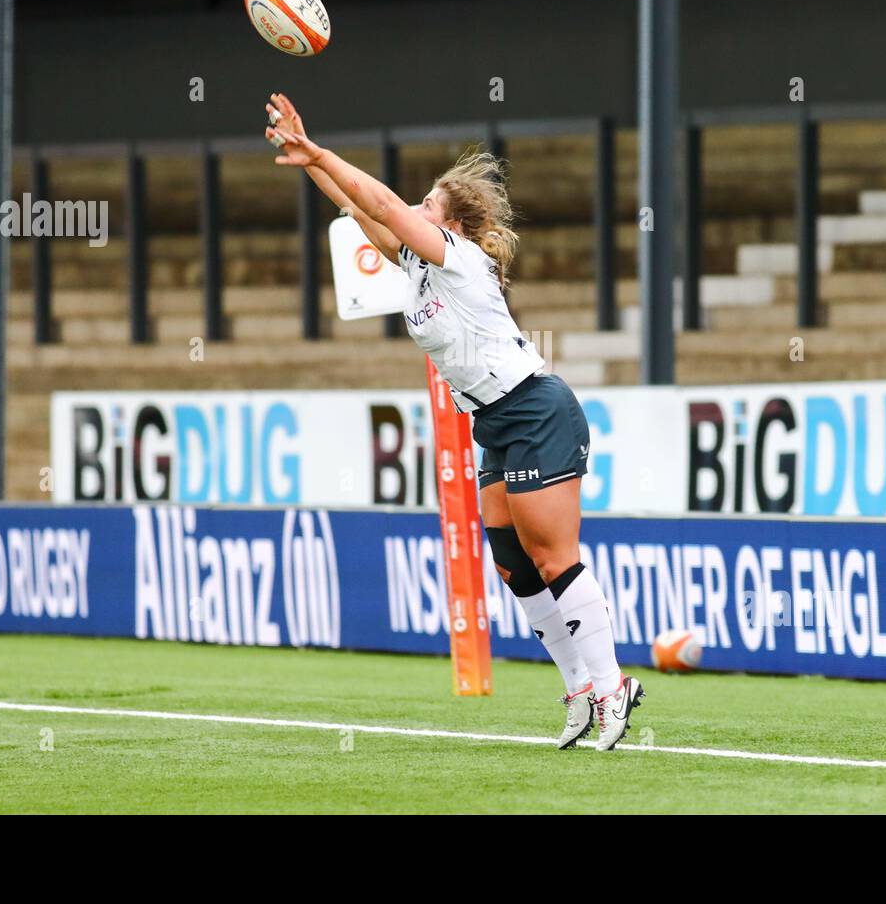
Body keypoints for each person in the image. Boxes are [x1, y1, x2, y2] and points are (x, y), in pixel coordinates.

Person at [265, 92, 644, 750]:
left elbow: (381, 205)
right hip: (496, 423)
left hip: (535, 409)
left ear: (454, 226)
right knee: (513, 565)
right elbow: (359, 209)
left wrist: (324, 151)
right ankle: (581, 688)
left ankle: (614, 687)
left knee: (552, 557)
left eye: (430, 205)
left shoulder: (458, 259)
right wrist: (310, 158)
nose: (416, 209)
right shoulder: (417, 267)